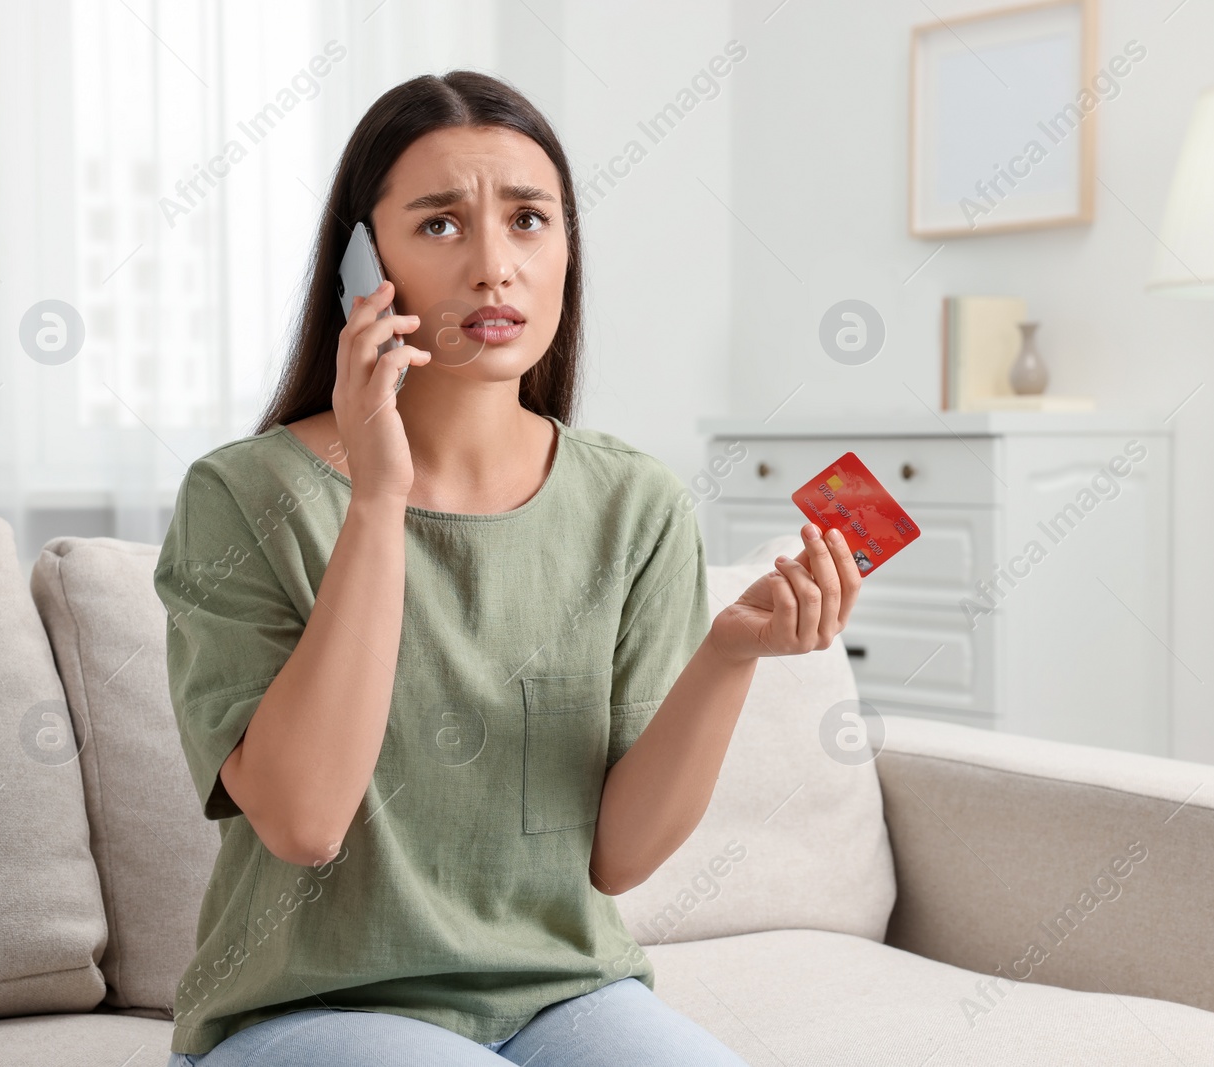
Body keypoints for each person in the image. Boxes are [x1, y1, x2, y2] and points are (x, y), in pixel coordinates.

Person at [154, 69, 863, 1066]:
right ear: (364, 264)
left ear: (567, 248)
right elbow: (306, 821)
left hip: (565, 993)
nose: (495, 266)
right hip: (304, 1010)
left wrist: (729, 654)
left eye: (529, 220)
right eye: (440, 225)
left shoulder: (635, 504)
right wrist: (376, 494)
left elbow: (616, 857)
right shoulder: (243, 496)